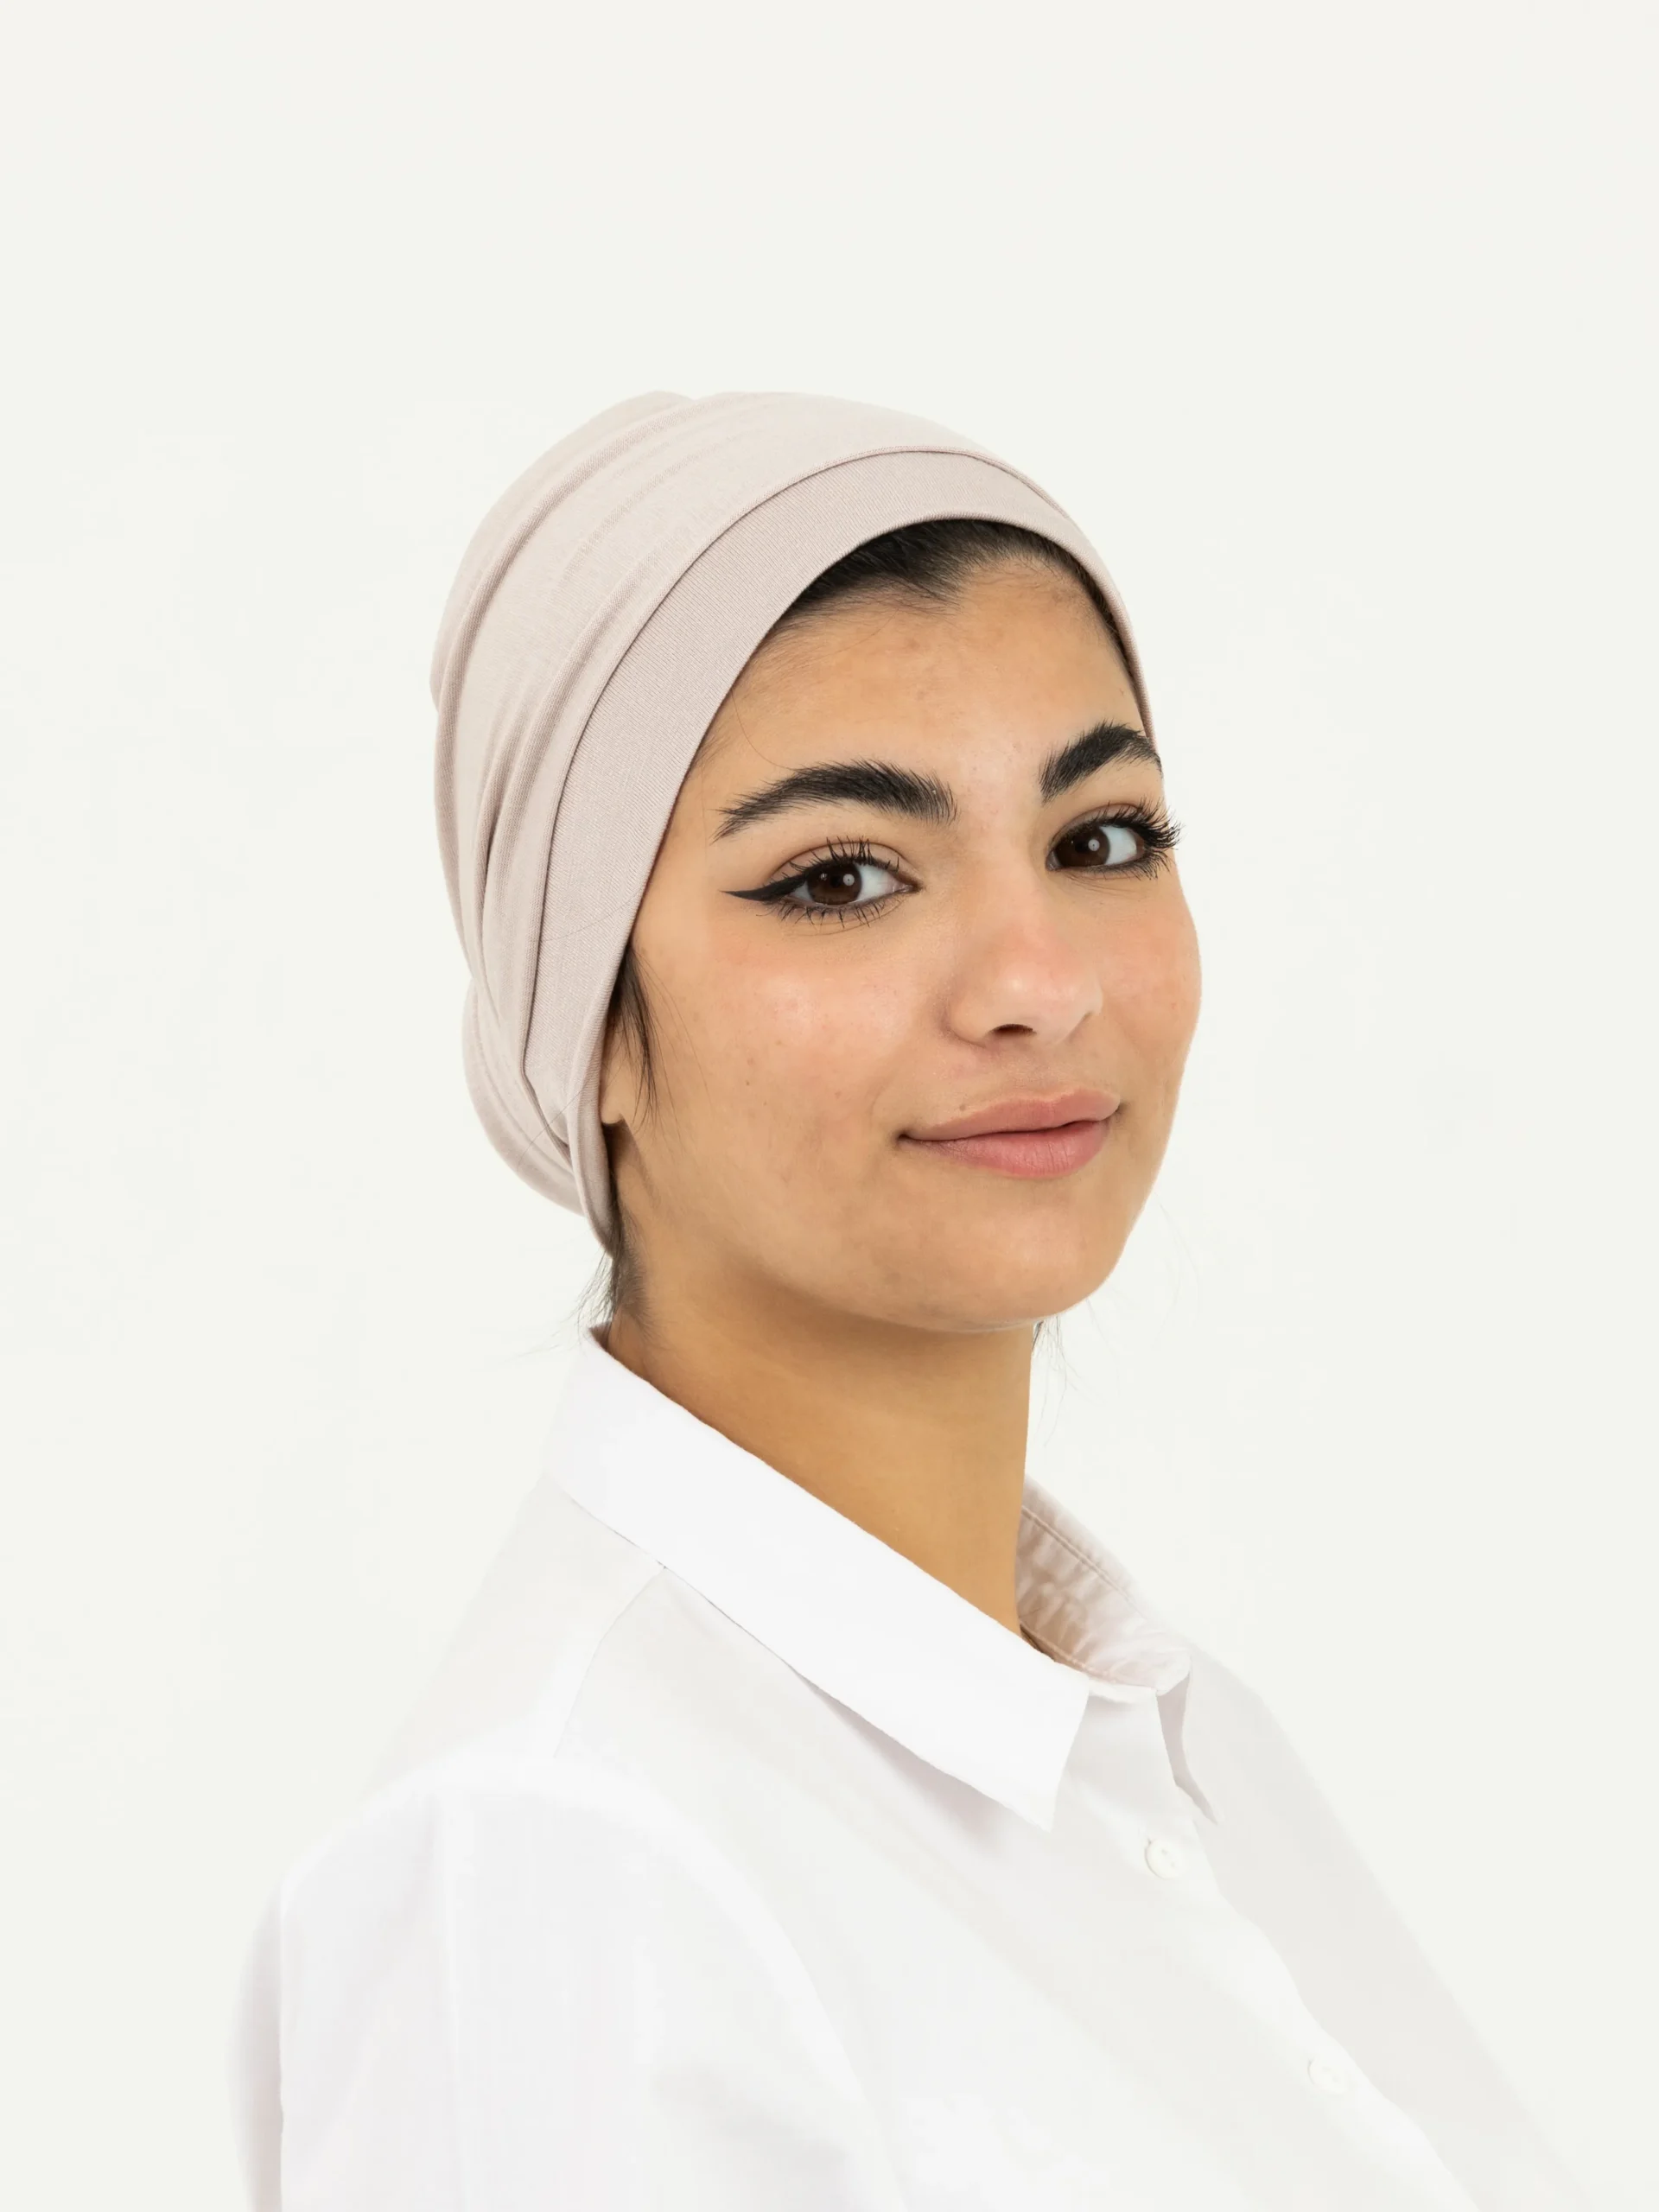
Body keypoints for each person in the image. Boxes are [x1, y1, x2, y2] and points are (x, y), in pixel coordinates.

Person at [227, 391, 1592, 2210]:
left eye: (1101, 840)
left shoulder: (1174, 1755)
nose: (1038, 981)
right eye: (843, 877)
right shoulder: (565, 1866)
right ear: (590, 1019)